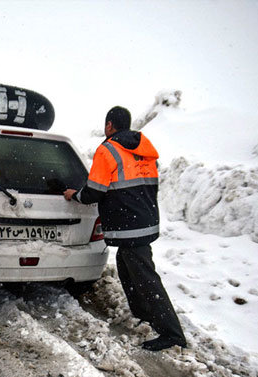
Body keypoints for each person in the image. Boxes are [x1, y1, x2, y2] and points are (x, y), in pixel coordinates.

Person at [63, 106, 186, 351]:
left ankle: (172, 333)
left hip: (129, 224)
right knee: (127, 268)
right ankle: (143, 314)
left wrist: (73, 195)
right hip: (145, 220)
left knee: (146, 279)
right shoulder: (144, 150)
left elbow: (94, 191)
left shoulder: (107, 150)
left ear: (109, 125)